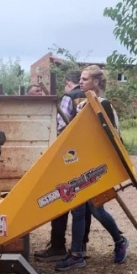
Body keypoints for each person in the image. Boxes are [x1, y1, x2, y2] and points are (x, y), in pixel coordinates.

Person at [55, 65, 128, 271]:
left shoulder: (102, 104)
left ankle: (120, 240)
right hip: (83, 162)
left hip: (99, 164)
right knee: (79, 209)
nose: (81, 82)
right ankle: (77, 253)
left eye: (85, 79)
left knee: (96, 209)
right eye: (80, 78)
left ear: (96, 83)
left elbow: (110, 136)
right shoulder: (83, 105)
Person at [34, 70, 92, 261]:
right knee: (84, 198)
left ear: (68, 83)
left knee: (61, 197)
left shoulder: (69, 97)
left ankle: (58, 245)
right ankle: (81, 244)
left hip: (69, 155)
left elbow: (60, 127)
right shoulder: (91, 96)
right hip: (88, 154)